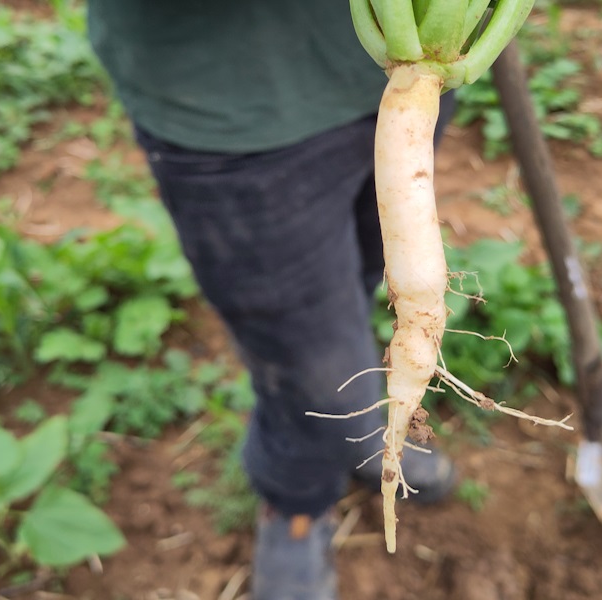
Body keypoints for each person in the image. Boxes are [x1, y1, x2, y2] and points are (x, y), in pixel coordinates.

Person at [86, 2, 457, 598]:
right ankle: (297, 496)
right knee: (301, 350)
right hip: (233, 101)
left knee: (362, 287)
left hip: (411, 66)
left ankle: (368, 437)